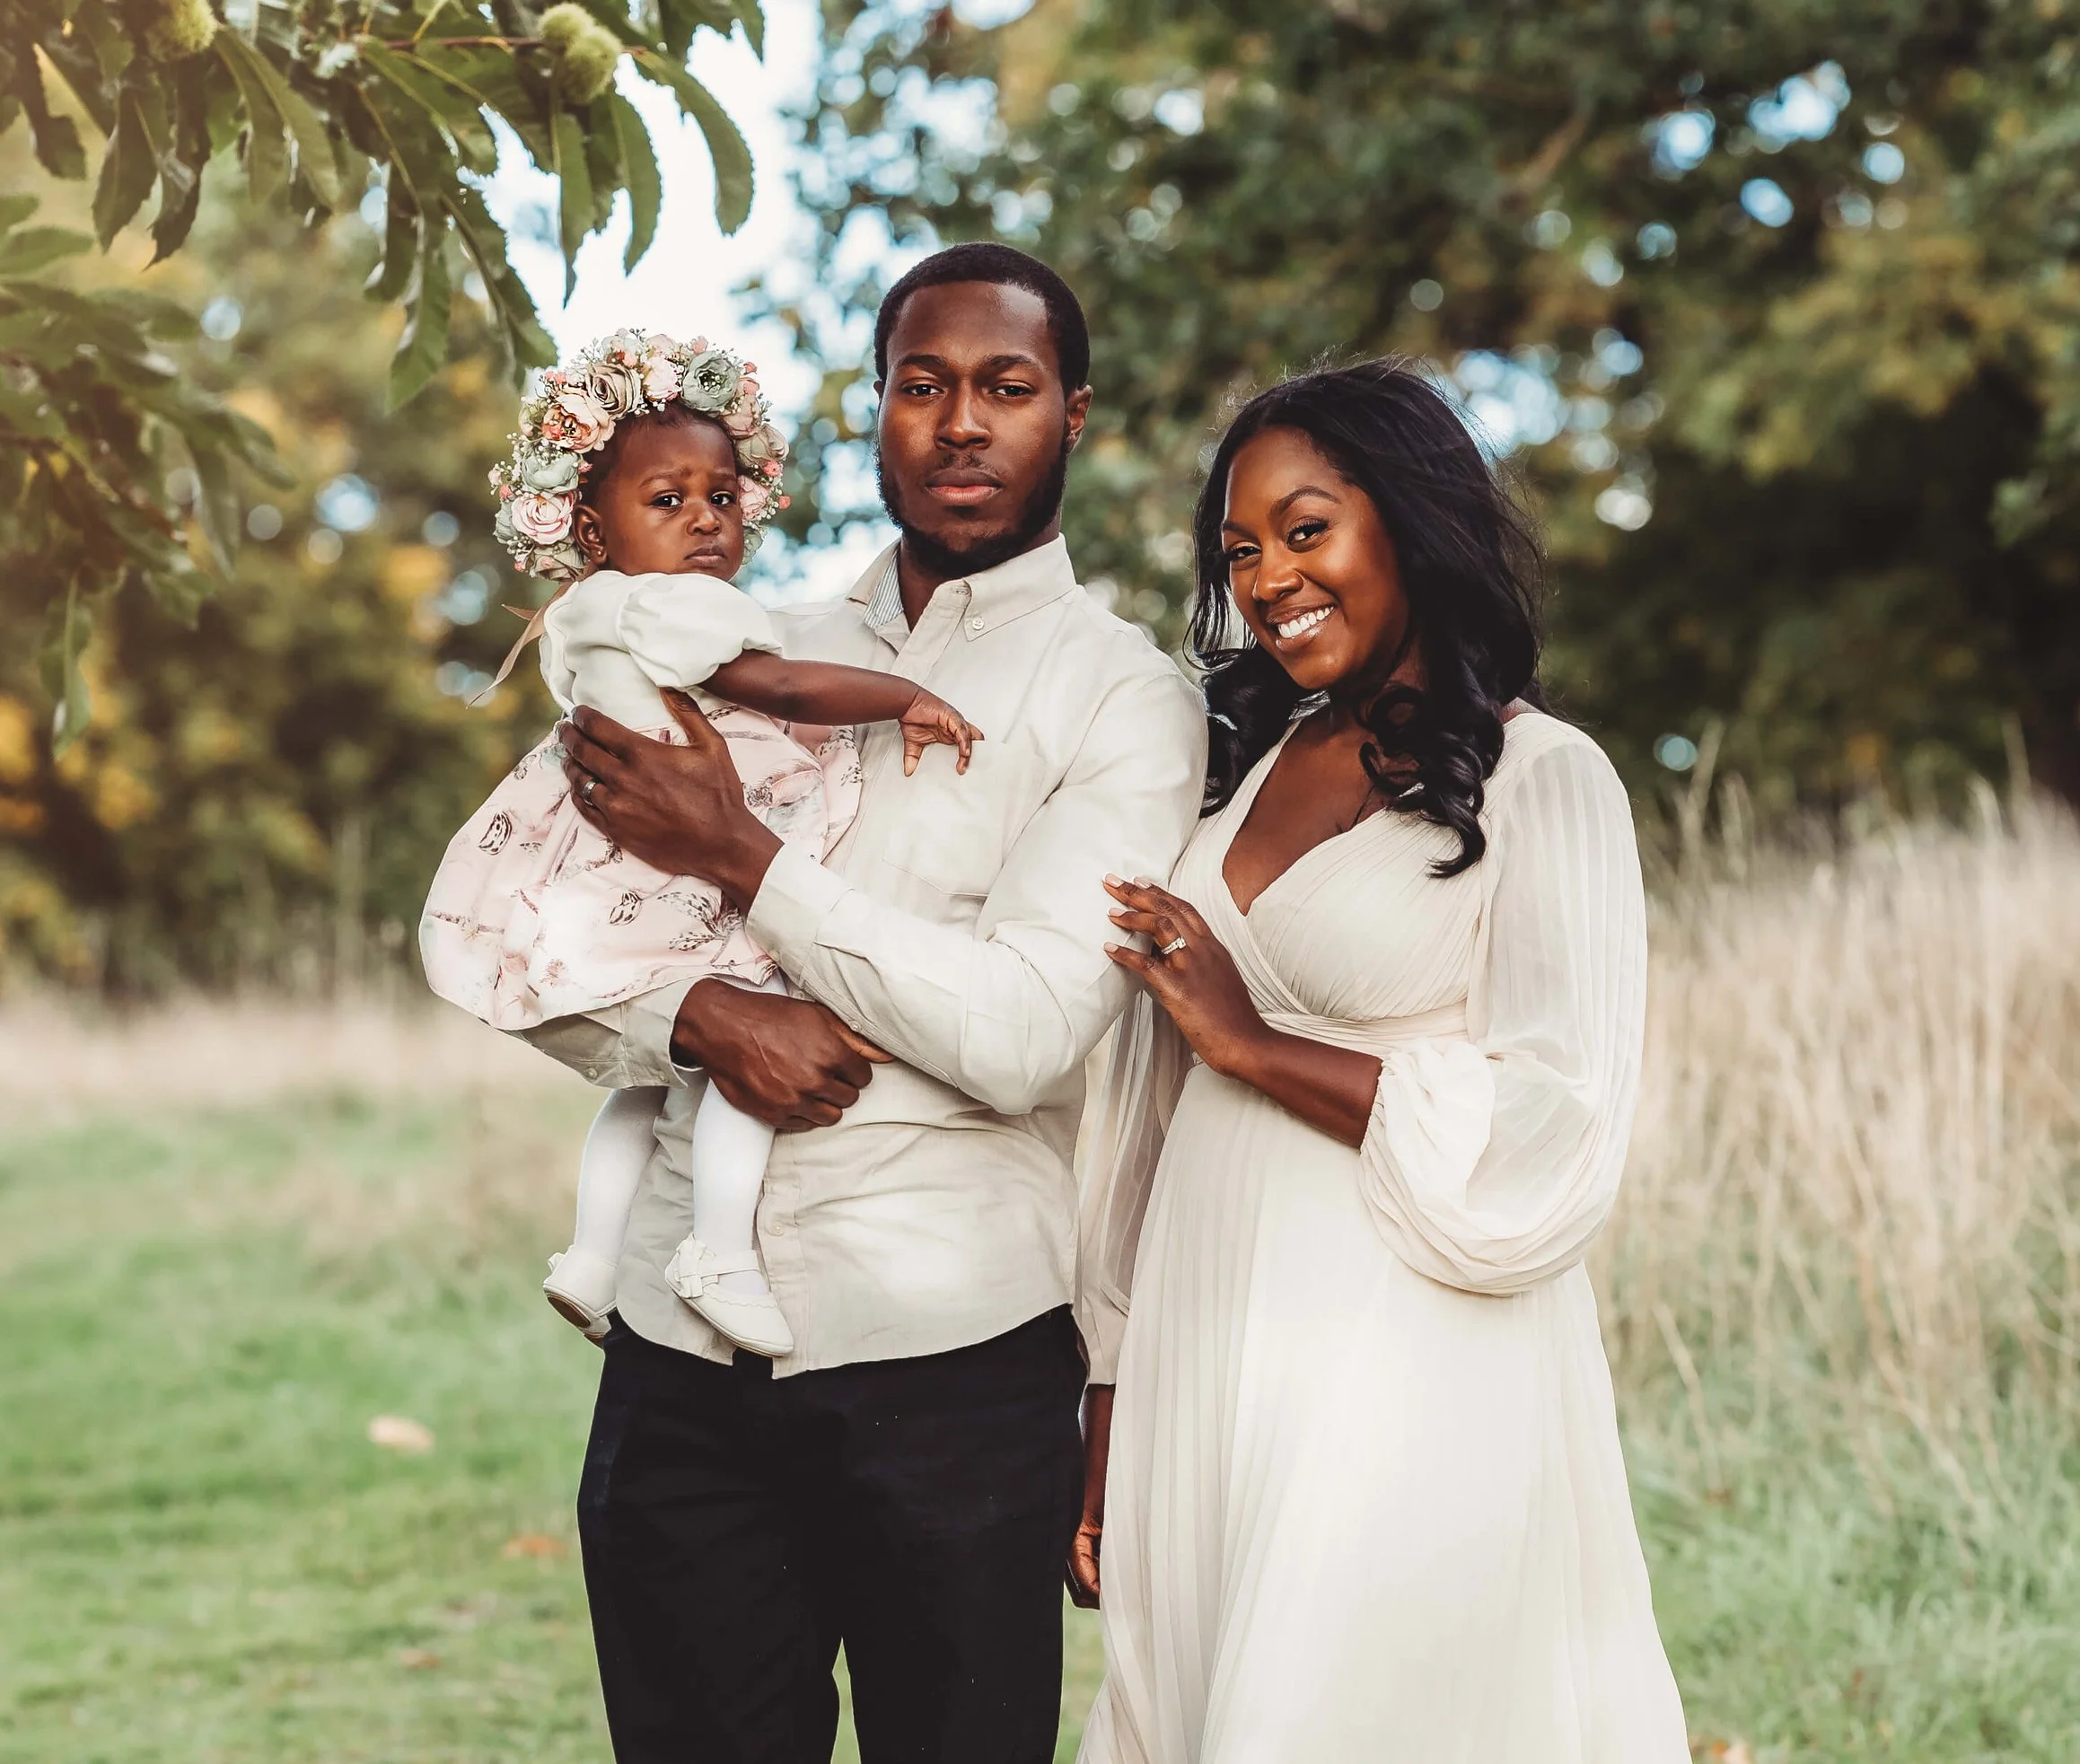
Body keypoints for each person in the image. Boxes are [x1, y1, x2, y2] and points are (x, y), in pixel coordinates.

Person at [530, 246, 1207, 1762]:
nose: (961, 421)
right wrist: (699, 1023)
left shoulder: (1125, 696)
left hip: (953, 1364)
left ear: (1073, 416)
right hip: (680, 1370)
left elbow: (1026, 1027)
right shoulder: (725, 641)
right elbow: (550, 933)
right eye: (922, 384)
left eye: (1006, 386)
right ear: (879, 411)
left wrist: (744, 860)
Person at [1071, 360, 1691, 1761]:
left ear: (1408, 522)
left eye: (1307, 528)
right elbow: (1141, 1104)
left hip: (1402, 1341)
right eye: (1241, 551)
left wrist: (1253, 1040)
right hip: (1203, 1330)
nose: (1271, 578)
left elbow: (1557, 1120)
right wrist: (1106, 1389)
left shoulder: (1547, 781)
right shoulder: (1230, 767)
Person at [422, 329, 981, 1358]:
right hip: (664, 866)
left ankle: (592, 1254)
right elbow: (780, 686)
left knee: (652, 1075)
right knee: (743, 1048)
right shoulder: (662, 606)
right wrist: (903, 695)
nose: (705, 524)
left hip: (600, 864)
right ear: (592, 526)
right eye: (667, 502)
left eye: (721, 499)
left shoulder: (588, 612)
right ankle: (718, 1251)